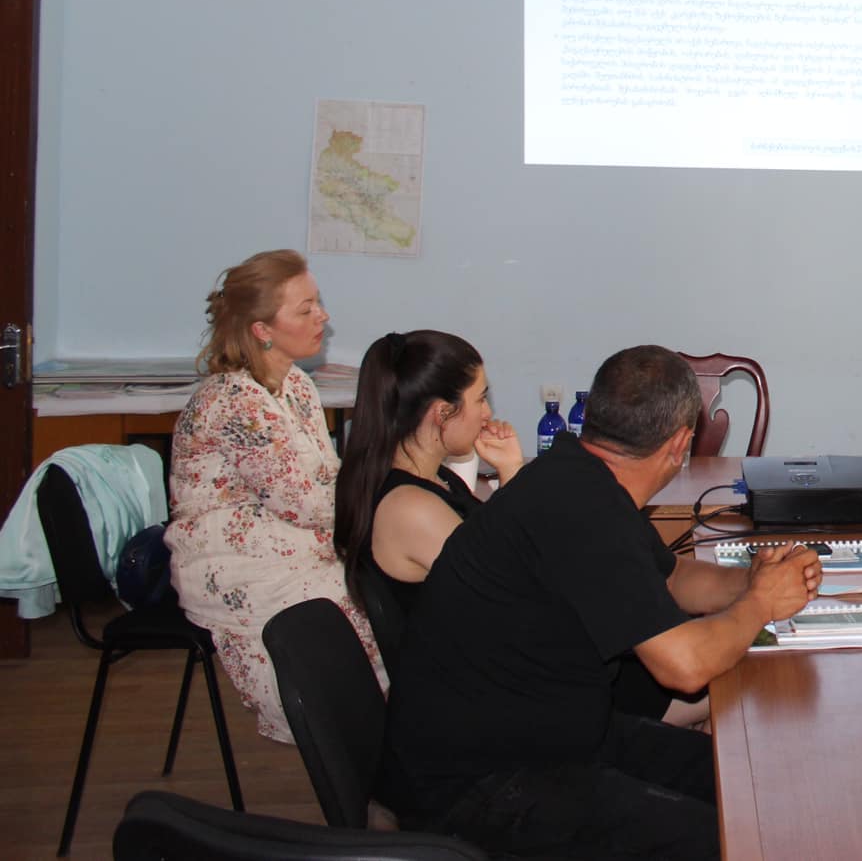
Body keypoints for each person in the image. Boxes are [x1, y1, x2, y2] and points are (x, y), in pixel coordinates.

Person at [377, 344, 823, 859]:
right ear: (681, 444)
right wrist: (761, 604)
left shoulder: (575, 473)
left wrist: (751, 581)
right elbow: (684, 667)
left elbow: (671, 576)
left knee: (751, 784)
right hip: (477, 781)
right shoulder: (583, 506)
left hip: (553, 736)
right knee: (729, 840)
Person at [164, 248, 381, 742]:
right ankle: (352, 744)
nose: (322, 316)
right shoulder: (234, 401)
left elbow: (326, 479)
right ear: (262, 329)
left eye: (317, 302)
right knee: (353, 602)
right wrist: (388, 490)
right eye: (305, 309)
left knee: (377, 585)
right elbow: (310, 503)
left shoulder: (296, 385)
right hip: (232, 561)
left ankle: (381, 741)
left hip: (284, 539)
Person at [333, 329, 521, 618]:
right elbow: (507, 585)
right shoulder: (412, 508)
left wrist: (509, 469)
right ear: (443, 412)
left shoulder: (439, 478)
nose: (487, 413)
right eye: (480, 399)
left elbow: (496, 545)